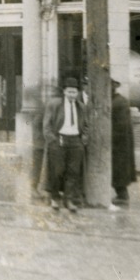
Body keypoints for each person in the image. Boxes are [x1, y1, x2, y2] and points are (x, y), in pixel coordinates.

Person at [43, 77, 89, 213]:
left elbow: (86, 125)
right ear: (64, 92)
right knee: (57, 171)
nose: (72, 95)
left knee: (73, 172)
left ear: (77, 93)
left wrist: (83, 139)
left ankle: (68, 200)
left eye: (74, 92)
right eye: (69, 92)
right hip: (59, 140)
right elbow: (46, 125)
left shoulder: (81, 106)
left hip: (75, 141)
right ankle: (55, 197)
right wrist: (52, 140)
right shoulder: (54, 105)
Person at [111, 79, 137, 205]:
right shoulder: (117, 100)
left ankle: (122, 195)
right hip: (117, 142)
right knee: (117, 169)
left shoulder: (119, 102)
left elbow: (120, 125)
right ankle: (121, 194)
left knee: (119, 170)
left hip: (119, 143)